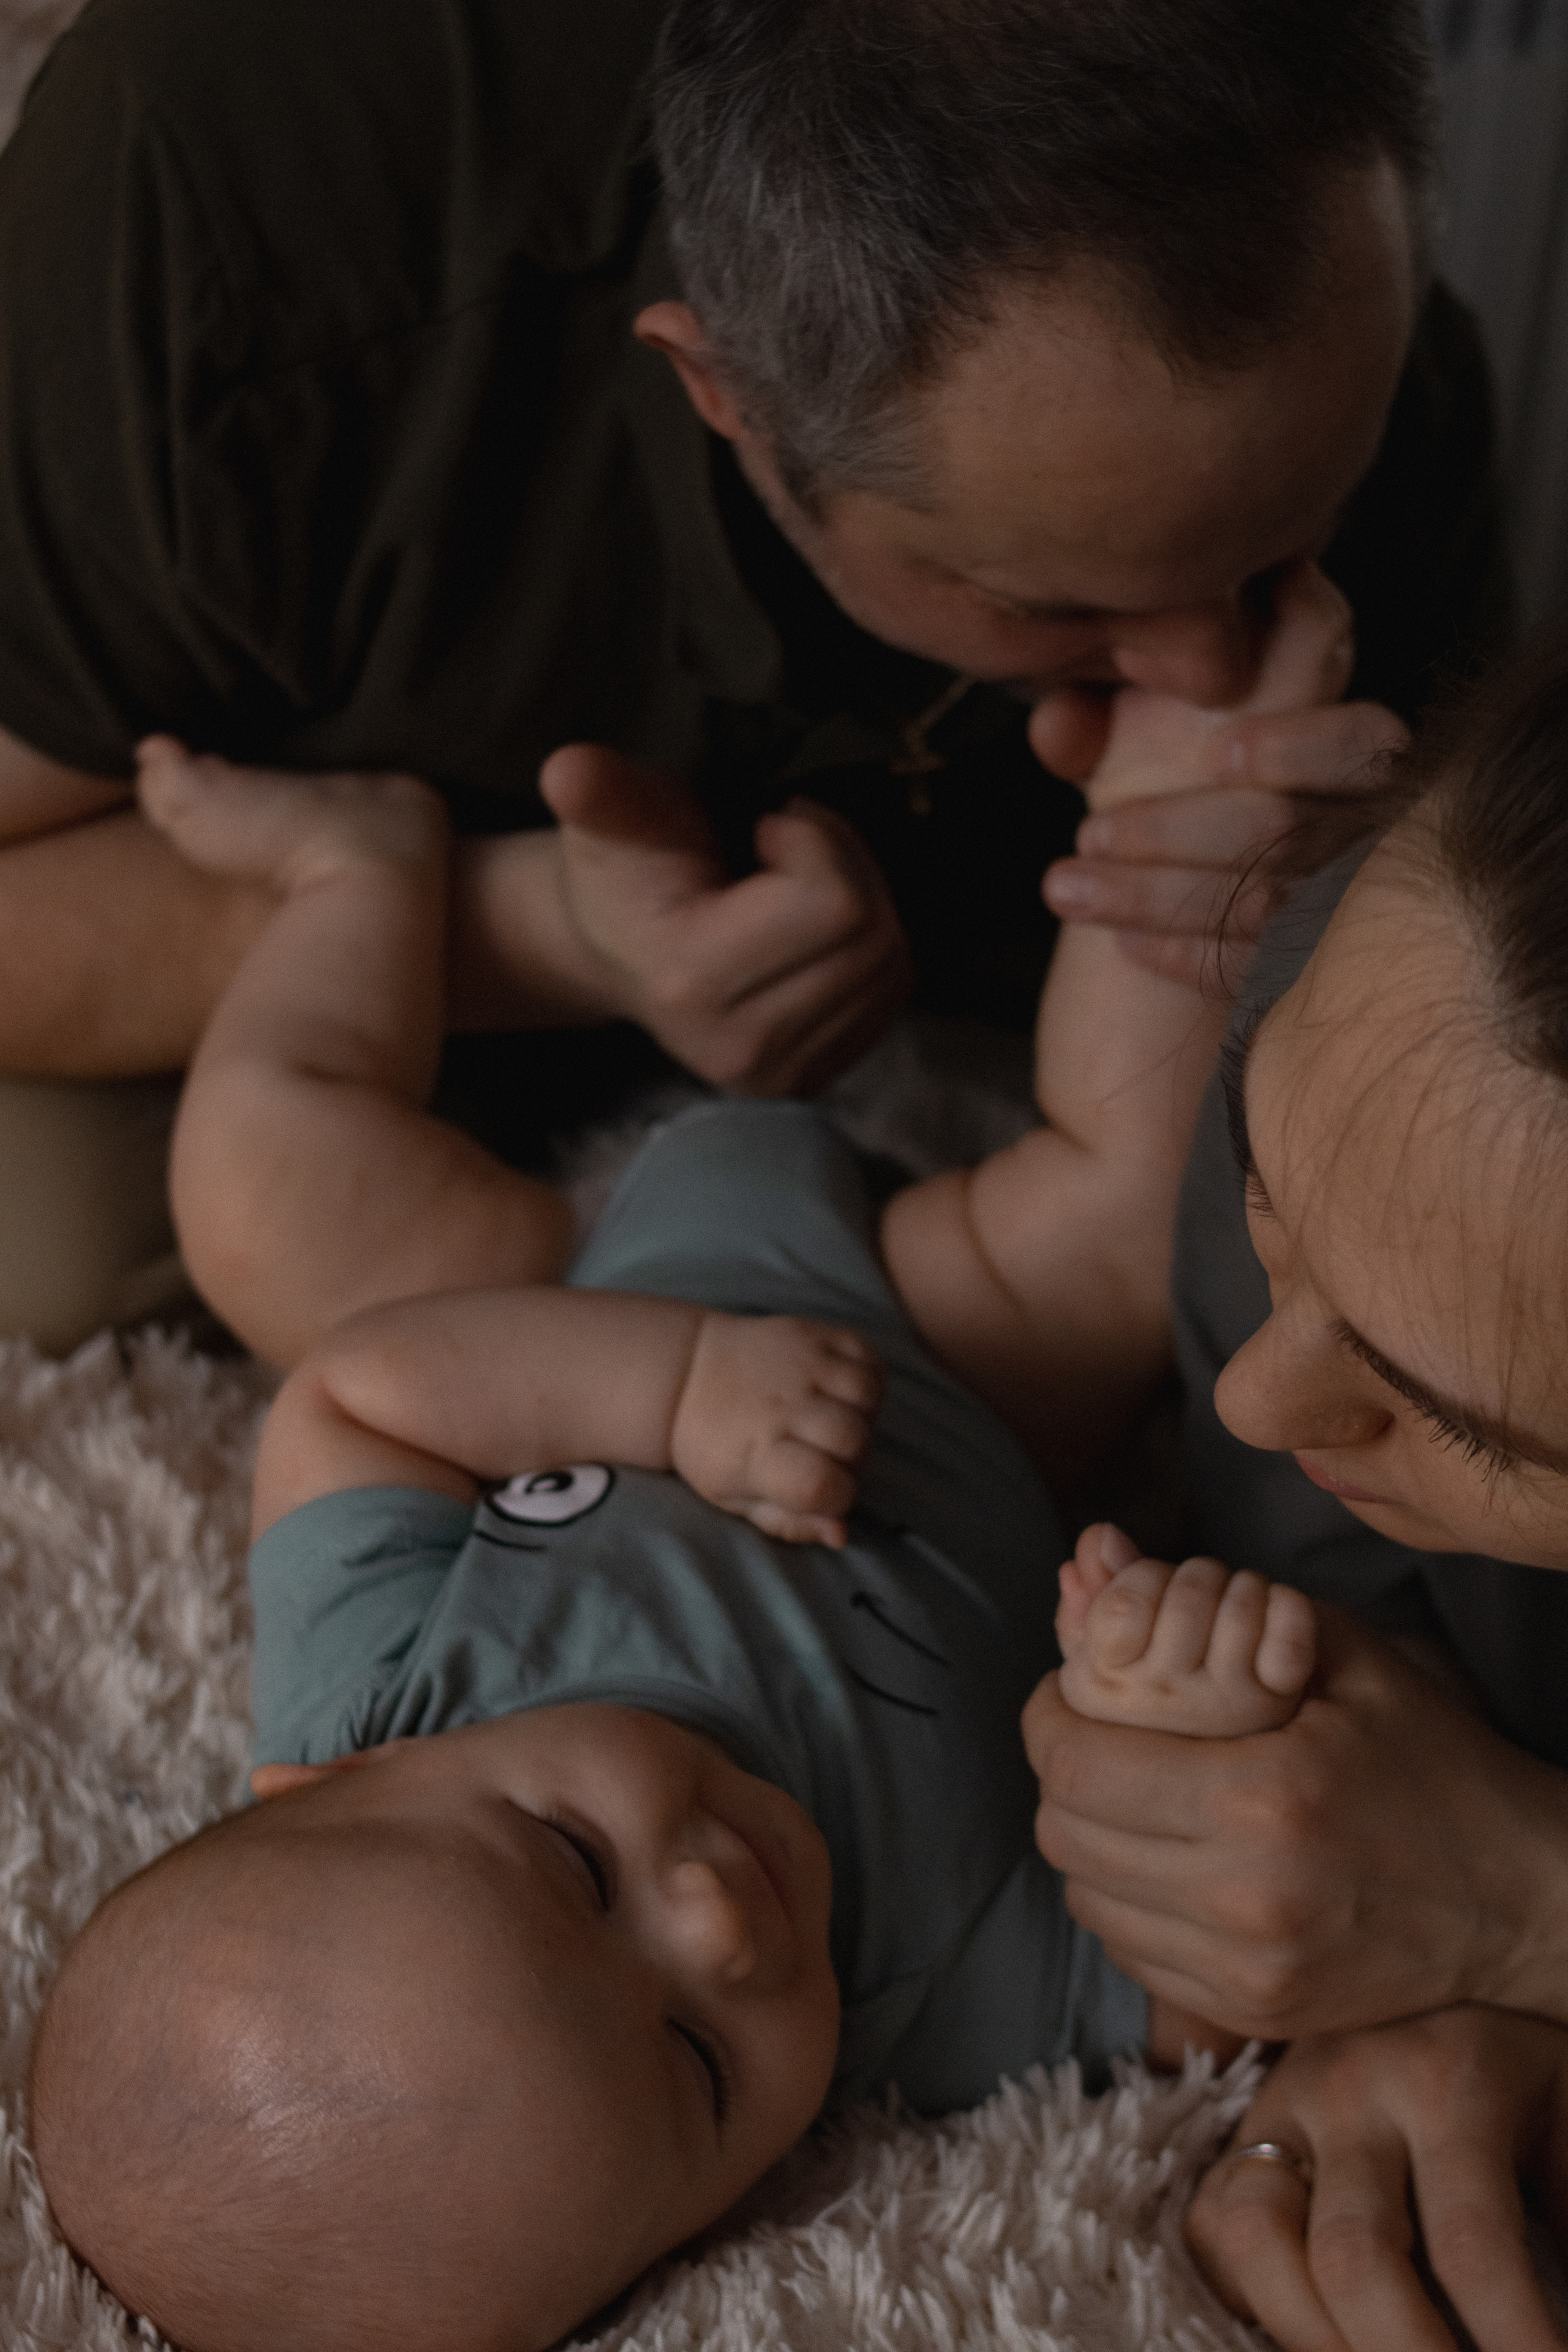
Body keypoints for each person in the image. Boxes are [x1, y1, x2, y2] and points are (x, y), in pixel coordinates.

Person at [26, 619, 1325, 2352]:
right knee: (1122, 1214)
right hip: (950, 1363)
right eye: (701, 2070)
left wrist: (678, 1384)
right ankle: (1191, 772)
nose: (717, 1918)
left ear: (329, 1776)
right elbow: (1203, 1970)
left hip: (594, 1290)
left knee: (264, 1206)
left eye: (573, 1864)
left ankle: (361, 876)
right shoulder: (923, 2002)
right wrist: (1183, 1715)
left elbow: (354, 1406)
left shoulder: (380, 1690)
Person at [0, 0, 1496, 1348]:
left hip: (983, 1100)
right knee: (45, 1243)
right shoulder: (217, 221)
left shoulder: (1355, 301)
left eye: (1283, 548)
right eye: (1052, 603)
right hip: (363, 925)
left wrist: (1326, 905)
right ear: (718, 388)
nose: (1214, 663)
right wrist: (532, 934)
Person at [1034, 644, 1568, 2350]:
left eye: (1464, 1424)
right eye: (1270, 1194)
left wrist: (1515, 1911)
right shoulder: (1352, 991)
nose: (1260, 1400)